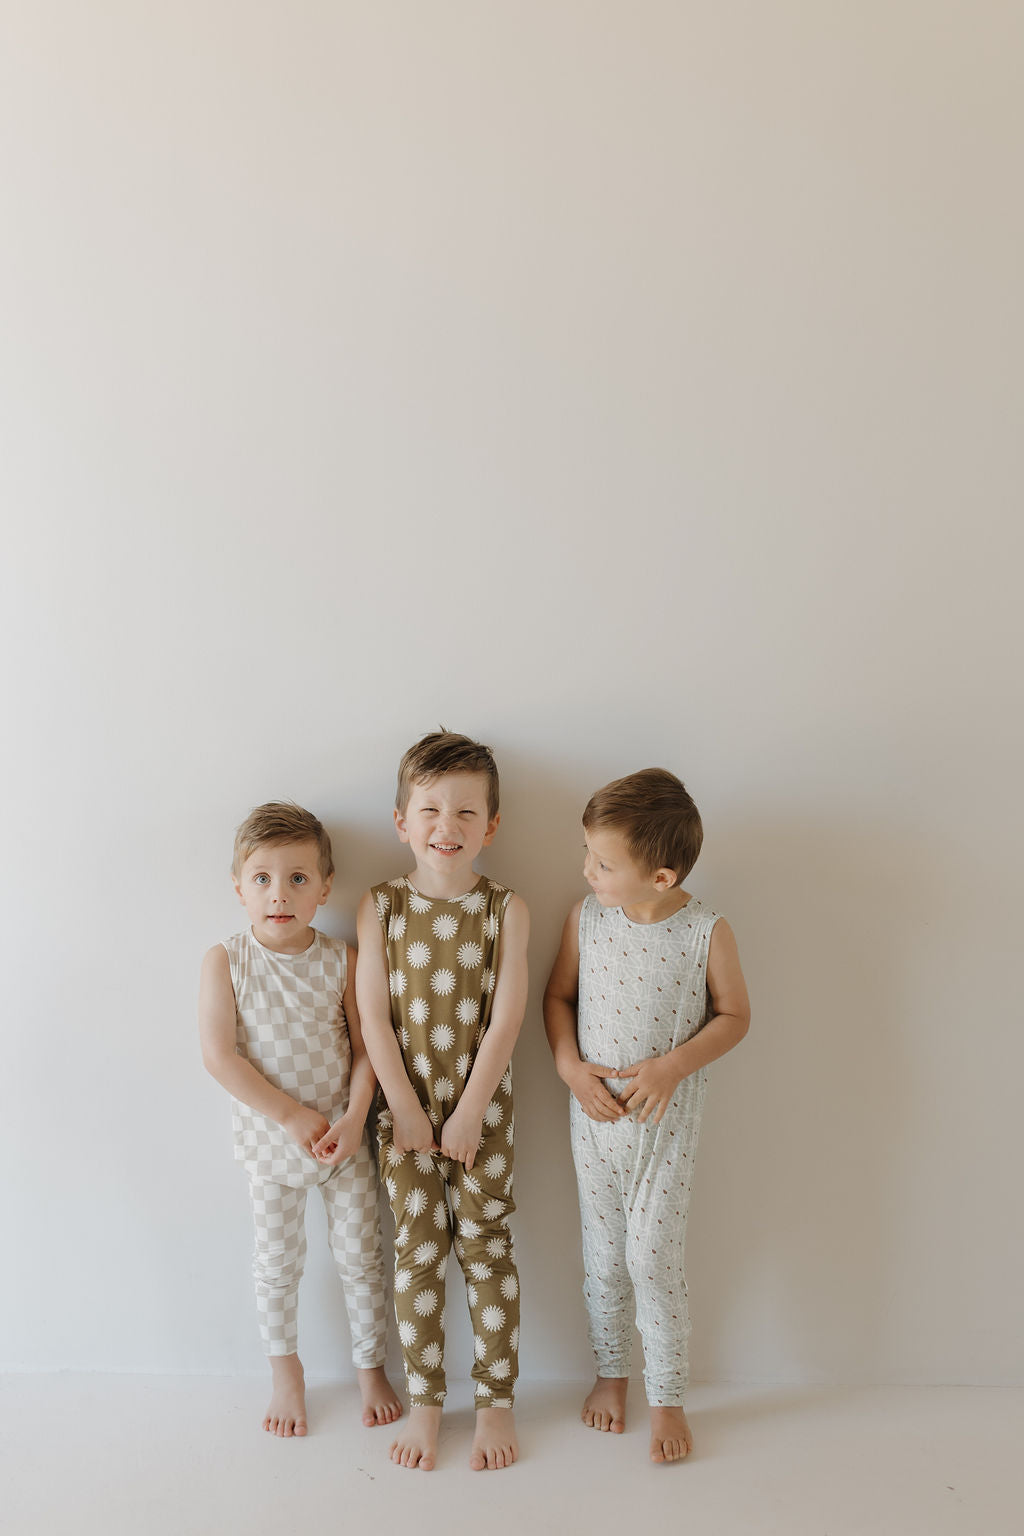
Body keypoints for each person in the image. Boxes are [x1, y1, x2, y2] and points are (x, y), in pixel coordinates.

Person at [544, 768, 750, 1464]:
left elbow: (735, 1015)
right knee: (603, 1259)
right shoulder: (587, 918)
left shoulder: (705, 930)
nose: (588, 871)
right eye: (588, 856)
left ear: (660, 877)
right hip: (595, 1123)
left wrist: (673, 1065)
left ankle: (667, 1397)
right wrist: (571, 1069)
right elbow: (558, 999)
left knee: (652, 1261)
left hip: (665, 1131)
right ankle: (611, 1375)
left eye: (603, 864)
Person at [199, 802, 401, 1438]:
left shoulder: (341, 959)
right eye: (261, 878)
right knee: (277, 1262)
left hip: (343, 1140)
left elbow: (369, 1047)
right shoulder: (225, 961)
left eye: (296, 878)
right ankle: (287, 1371)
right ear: (239, 888)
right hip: (272, 1146)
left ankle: (371, 1366)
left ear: (323, 888)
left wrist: (354, 1116)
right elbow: (219, 1056)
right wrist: (289, 1116)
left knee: (361, 1257)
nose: (278, 894)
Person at [357, 730, 529, 1472]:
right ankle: (426, 1398)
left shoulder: (505, 910)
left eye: (465, 812)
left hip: (479, 1114)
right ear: (402, 822)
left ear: (490, 826)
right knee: (418, 1253)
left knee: (487, 1250)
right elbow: (372, 1017)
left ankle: (495, 1403)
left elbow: (506, 1020)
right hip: (403, 1116)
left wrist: (465, 1114)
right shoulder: (381, 906)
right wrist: (407, 1110)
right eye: (429, 810)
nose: (446, 826)